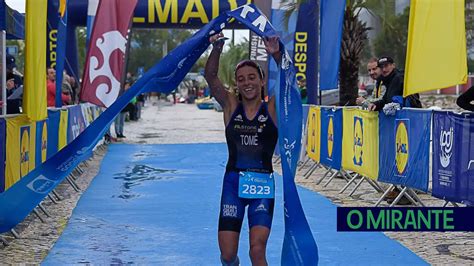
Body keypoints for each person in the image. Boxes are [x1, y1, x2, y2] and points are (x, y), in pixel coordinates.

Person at [205, 32, 281, 266]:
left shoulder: (271, 109)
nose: (247, 83)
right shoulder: (230, 105)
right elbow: (210, 76)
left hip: (262, 186)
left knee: (257, 251)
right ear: (236, 83)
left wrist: (276, 55)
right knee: (228, 255)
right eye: (241, 79)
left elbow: (290, 82)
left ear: (261, 81)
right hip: (233, 185)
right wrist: (217, 47)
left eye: (251, 77)